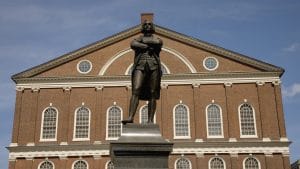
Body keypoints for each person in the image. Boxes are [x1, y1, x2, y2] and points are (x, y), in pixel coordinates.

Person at [122, 20, 163, 124]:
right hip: (140, 66)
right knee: (136, 89)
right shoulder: (138, 39)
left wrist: (142, 43)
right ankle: (130, 117)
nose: (148, 26)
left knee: (152, 93)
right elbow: (133, 44)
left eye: (150, 24)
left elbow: (158, 43)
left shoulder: (156, 39)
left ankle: (150, 120)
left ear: (153, 27)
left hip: (154, 66)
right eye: (145, 24)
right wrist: (146, 46)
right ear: (143, 27)